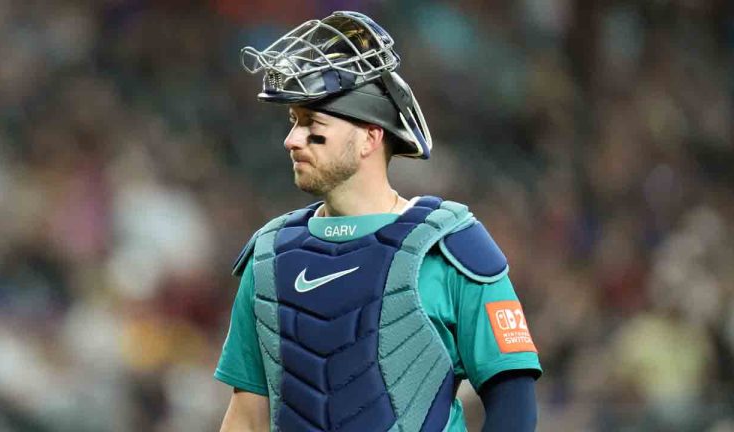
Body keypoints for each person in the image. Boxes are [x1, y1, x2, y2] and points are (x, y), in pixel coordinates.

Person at [215, 11, 542, 432]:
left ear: (370, 136)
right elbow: (247, 414)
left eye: (313, 123)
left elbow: (512, 399)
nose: (291, 139)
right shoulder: (268, 254)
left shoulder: (451, 246)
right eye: (293, 122)